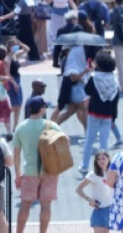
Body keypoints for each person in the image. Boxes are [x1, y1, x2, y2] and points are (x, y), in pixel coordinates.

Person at [13, 97, 63, 233]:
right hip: (49, 171)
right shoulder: (51, 125)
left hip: (30, 171)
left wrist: (18, 175)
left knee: (25, 204)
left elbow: (16, 155)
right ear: (41, 109)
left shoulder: (21, 127)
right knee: (45, 204)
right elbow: (65, 141)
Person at [80, 53, 119, 174]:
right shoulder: (114, 80)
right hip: (108, 114)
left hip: (94, 113)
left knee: (89, 140)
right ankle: (104, 167)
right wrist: (114, 116)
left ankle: (85, 165)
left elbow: (87, 90)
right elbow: (115, 100)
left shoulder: (94, 78)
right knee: (104, 142)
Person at [75, 150, 114, 233]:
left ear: (108, 159)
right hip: (100, 210)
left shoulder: (113, 173)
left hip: (112, 210)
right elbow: (78, 189)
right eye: (98, 159)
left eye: (103, 158)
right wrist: (89, 199)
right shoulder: (93, 174)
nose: (101, 161)